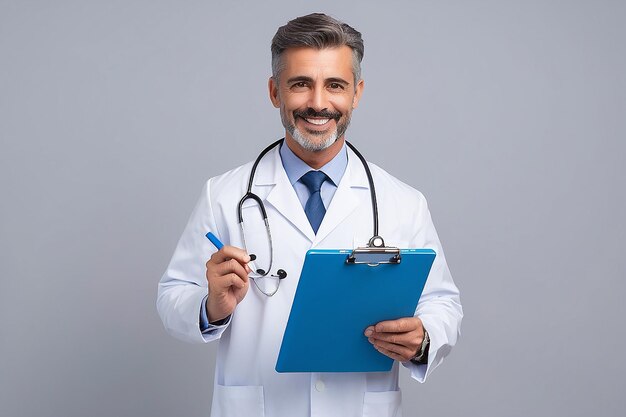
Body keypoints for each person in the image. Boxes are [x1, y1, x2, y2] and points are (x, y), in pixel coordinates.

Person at [157, 13, 462, 417]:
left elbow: (443, 305)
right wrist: (210, 306)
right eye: (301, 84)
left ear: (357, 93)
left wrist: (423, 338)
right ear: (274, 92)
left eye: (335, 85)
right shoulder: (224, 194)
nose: (318, 103)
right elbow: (172, 297)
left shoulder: (403, 202)